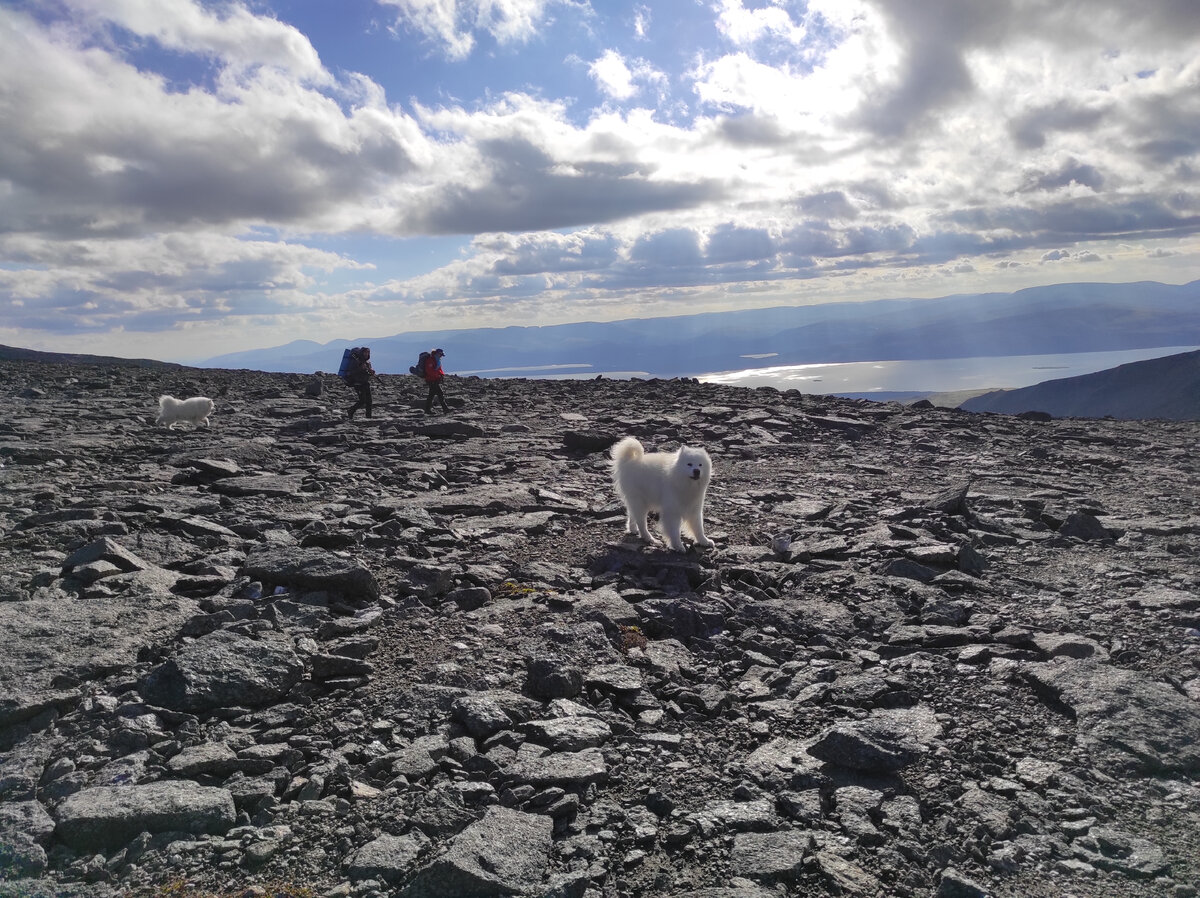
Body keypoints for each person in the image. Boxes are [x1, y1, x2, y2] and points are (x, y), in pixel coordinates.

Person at [346, 347, 377, 420]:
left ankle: (368, 417)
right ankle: (351, 410)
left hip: (365, 383)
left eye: (368, 352)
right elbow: (350, 372)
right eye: (365, 352)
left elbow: (366, 373)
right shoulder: (356, 361)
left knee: (369, 401)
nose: (367, 354)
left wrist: (371, 372)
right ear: (362, 353)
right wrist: (361, 368)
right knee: (362, 400)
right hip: (358, 383)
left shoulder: (367, 362)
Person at [422, 348, 449, 414]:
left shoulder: (436, 360)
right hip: (431, 380)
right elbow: (429, 371)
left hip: (435, 380)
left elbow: (438, 370)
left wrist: (441, 375)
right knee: (440, 394)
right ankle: (445, 409)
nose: (441, 356)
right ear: (437, 353)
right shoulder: (430, 360)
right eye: (441, 355)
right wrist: (438, 376)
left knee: (431, 395)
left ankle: (427, 410)